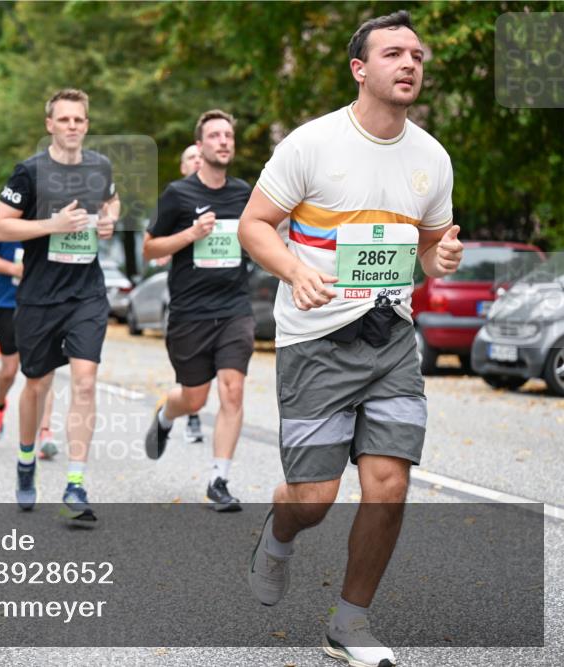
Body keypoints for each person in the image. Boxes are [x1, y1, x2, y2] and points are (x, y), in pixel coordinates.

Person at [236, 12, 463, 667]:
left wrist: (440, 259)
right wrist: (294, 269)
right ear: (361, 69)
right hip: (316, 340)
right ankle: (278, 536)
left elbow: (430, 243)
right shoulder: (311, 144)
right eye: (394, 52)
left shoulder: (432, 157)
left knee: (389, 483)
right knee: (313, 498)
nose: (410, 63)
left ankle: (350, 622)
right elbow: (255, 224)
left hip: (392, 338)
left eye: (417, 54)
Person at [0, 88, 119, 522]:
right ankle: (26, 459)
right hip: (39, 296)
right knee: (37, 384)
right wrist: (54, 225)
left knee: (85, 381)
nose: (71, 126)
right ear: (49, 124)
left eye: (78, 120)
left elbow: (112, 199)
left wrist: (109, 220)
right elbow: (1, 229)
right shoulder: (28, 173)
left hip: (86, 293)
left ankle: (76, 483)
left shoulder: (99, 167)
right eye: (63, 119)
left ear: (86, 124)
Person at [143, 110, 255, 512]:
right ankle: (165, 416)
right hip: (190, 311)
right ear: (201, 145)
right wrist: (191, 234)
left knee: (233, 388)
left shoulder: (244, 194)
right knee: (194, 399)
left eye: (229, 135)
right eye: (215, 135)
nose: (224, 141)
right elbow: (150, 247)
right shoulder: (177, 195)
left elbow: (264, 235)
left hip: (234, 308)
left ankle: (218, 479)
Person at [0, 211, 59, 459]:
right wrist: (15, 269)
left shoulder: (53, 213)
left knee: (44, 370)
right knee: (9, 371)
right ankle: (0, 404)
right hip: (8, 304)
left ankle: (44, 432)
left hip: (44, 303)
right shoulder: (3, 215)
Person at [178, 143, 205, 445]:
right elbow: (154, 242)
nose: (197, 161)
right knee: (192, 369)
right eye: (191, 159)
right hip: (187, 297)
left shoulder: (232, 193)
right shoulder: (176, 196)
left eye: (199, 156)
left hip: (226, 299)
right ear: (183, 167)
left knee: (231, 380)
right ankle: (191, 413)